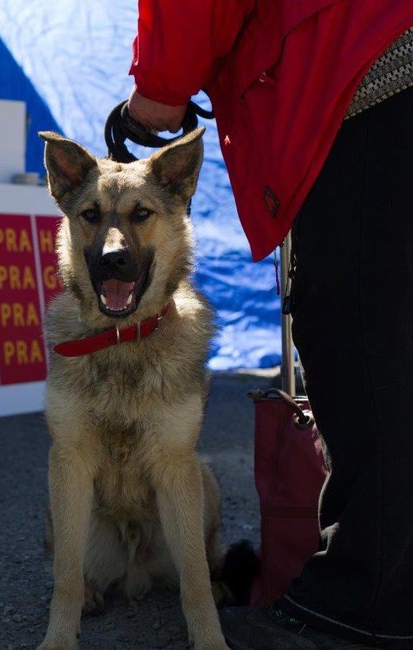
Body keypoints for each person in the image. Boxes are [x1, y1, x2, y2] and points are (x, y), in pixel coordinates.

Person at [127, 1, 413, 648]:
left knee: (360, 330)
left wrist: (159, 90)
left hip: (366, 74)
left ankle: (362, 608)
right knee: (393, 331)